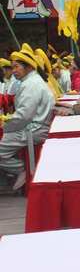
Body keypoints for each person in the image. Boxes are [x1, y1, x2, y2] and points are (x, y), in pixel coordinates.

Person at [0, 49, 54, 193]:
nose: (13, 70)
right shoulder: (31, 81)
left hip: (34, 128)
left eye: (16, 66)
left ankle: (19, 169)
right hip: (32, 125)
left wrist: (3, 127)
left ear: (28, 67)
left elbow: (24, 116)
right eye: (12, 67)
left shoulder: (30, 84)